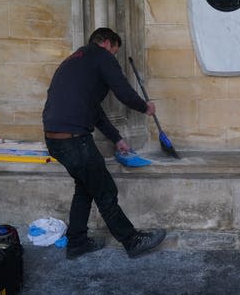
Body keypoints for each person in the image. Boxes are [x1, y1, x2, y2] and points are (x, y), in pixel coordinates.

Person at [42, 27, 166, 260]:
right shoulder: (101, 56)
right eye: (114, 52)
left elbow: (94, 111)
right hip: (75, 140)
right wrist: (145, 106)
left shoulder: (75, 60)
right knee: (105, 190)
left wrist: (117, 138)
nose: (113, 57)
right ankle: (132, 240)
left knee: (85, 188)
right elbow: (123, 91)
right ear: (108, 44)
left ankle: (77, 242)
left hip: (55, 139)